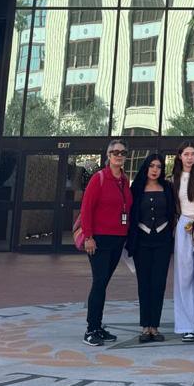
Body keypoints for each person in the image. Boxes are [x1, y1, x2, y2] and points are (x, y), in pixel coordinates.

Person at [79, 141, 133, 346]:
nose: (119, 155)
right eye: (115, 152)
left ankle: (98, 326)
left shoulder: (124, 181)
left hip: (117, 239)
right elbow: (86, 209)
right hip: (99, 240)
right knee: (99, 283)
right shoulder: (99, 178)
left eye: (122, 152)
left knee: (104, 284)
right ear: (108, 155)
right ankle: (90, 329)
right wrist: (88, 236)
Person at [126, 152, 176, 342]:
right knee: (144, 284)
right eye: (152, 166)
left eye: (159, 167)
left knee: (158, 284)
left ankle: (155, 326)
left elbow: (173, 212)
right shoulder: (136, 188)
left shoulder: (167, 188)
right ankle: (145, 327)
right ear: (146, 167)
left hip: (162, 242)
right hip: (141, 242)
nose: (155, 170)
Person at [171, 142, 194, 341]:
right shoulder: (174, 178)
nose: (190, 157)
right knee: (184, 276)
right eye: (186, 154)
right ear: (179, 156)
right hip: (184, 225)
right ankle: (187, 325)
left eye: (193, 154)